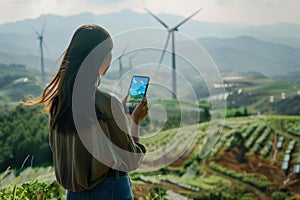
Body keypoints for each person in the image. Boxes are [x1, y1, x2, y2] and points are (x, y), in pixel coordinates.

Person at [23, 24, 148, 199]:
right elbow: (131, 160)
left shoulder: (59, 103)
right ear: (100, 58)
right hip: (111, 191)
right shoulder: (106, 103)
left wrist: (118, 114)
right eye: (109, 51)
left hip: (74, 194)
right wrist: (135, 121)